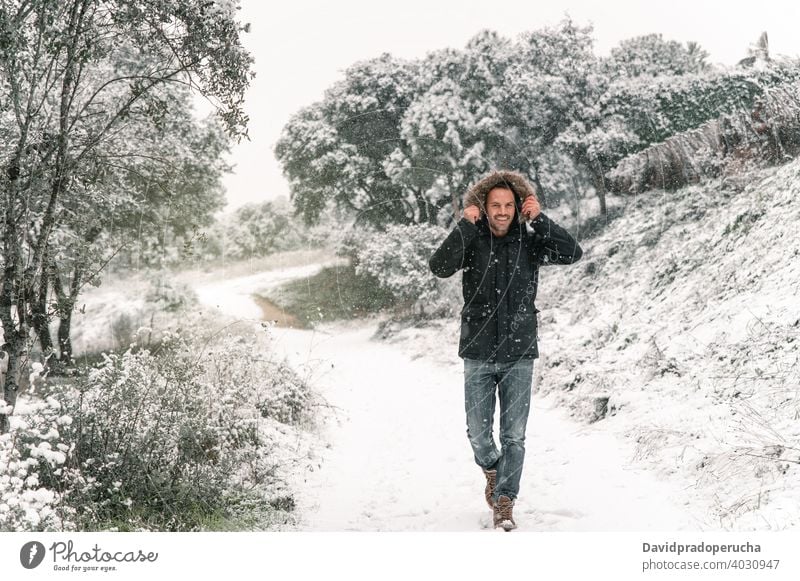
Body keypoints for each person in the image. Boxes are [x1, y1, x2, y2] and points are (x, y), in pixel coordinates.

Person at [428, 170, 583, 531]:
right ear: (484, 207)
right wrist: (465, 226)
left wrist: (539, 219)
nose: (501, 211)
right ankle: (494, 470)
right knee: (478, 434)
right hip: (478, 351)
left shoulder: (530, 244)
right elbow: (439, 267)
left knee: (514, 435)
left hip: (520, 353)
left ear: (518, 207)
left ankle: (504, 501)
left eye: (509, 205)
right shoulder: (473, 241)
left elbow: (572, 252)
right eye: (495, 205)